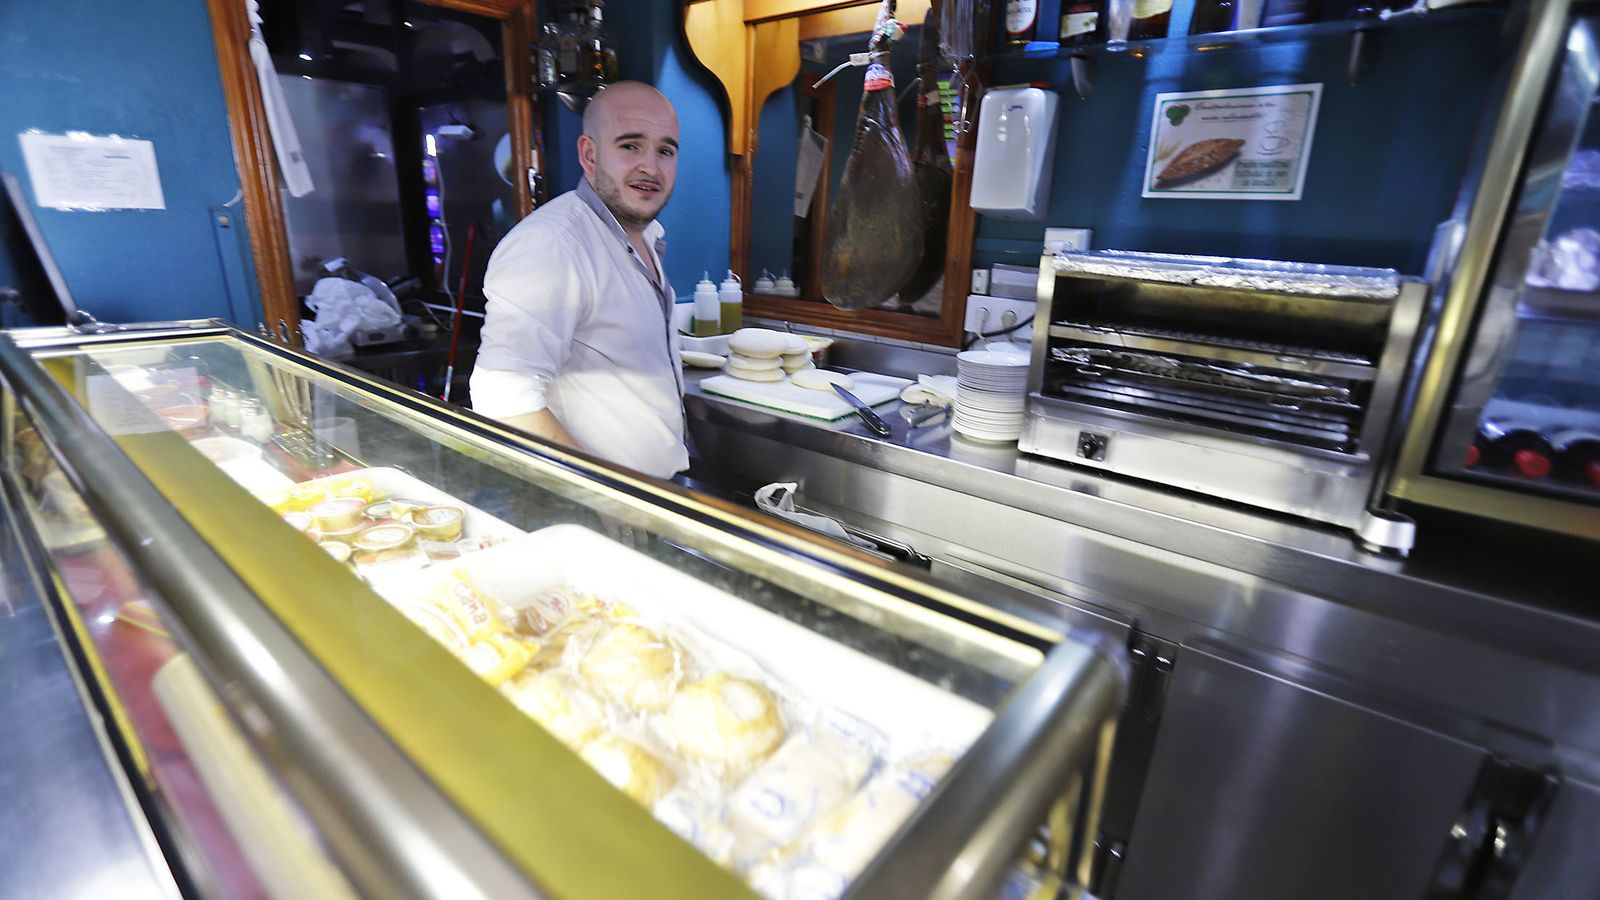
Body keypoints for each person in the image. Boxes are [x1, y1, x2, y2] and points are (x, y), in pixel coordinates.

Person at [470, 81, 687, 478]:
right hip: (601, 505)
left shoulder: (647, 236)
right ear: (589, 154)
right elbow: (501, 399)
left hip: (652, 497)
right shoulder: (551, 245)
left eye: (665, 150)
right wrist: (602, 495)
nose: (651, 168)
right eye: (630, 145)